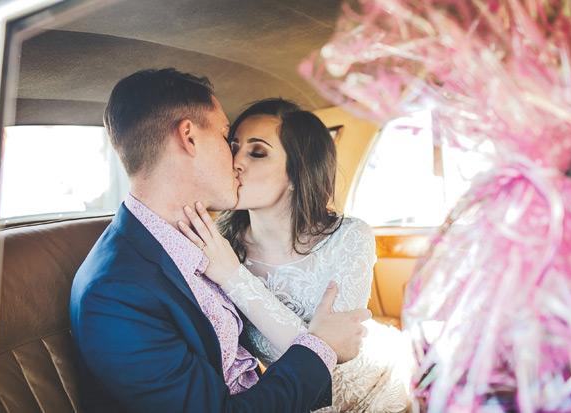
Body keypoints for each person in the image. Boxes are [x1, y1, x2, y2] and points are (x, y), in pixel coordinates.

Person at [69, 69, 372, 413]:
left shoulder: (188, 241)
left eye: (255, 152)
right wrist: (321, 344)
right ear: (190, 138)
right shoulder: (115, 293)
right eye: (227, 138)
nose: (235, 161)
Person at [178, 98, 413, 412]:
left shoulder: (351, 236)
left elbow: (332, 351)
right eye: (233, 147)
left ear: (296, 171)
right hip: (291, 399)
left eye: (257, 152)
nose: (235, 161)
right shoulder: (217, 241)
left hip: (375, 386)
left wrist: (234, 278)